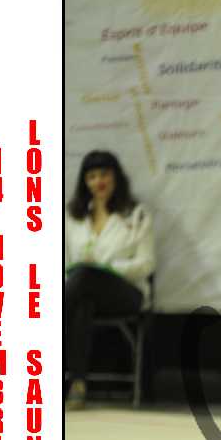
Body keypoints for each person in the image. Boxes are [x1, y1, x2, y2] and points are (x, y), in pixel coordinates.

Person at [65, 151, 156, 411]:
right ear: (85, 182)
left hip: (126, 291)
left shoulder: (136, 215)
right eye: (92, 176)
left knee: (84, 279)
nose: (99, 181)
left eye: (104, 174)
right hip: (79, 291)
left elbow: (147, 263)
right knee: (82, 301)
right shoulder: (72, 217)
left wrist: (109, 268)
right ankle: (78, 385)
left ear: (116, 177)